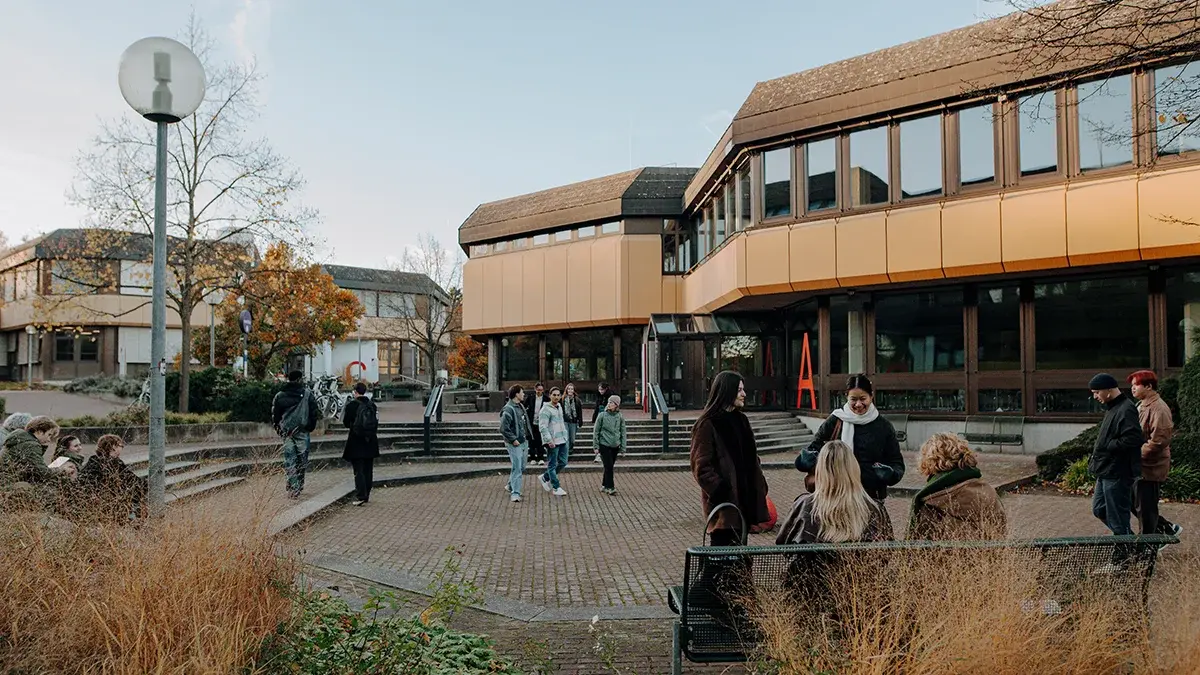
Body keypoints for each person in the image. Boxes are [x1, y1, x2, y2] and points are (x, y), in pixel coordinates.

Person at [795, 374, 904, 502]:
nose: (858, 404)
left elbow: (897, 463)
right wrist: (803, 461)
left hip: (870, 498)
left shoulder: (883, 426)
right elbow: (814, 449)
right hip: (834, 497)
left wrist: (890, 474)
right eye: (853, 399)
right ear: (846, 397)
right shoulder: (835, 420)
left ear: (871, 396)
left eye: (863, 398)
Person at [690, 371, 769, 545]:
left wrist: (759, 484)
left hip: (745, 502)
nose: (744, 394)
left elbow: (752, 458)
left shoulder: (741, 420)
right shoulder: (707, 424)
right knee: (722, 560)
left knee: (741, 559)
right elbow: (701, 466)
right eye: (739, 390)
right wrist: (721, 490)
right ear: (727, 391)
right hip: (724, 509)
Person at [777, 440, 893, 544]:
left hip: (812, 568)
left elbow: (782, 543)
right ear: (854, 469)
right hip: (860, 568)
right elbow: (887, 551)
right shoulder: (875, 508)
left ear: (820, 470)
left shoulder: (804, 505)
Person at [907, 433, 1006, 540]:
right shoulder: (987, 491)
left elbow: (917, 546)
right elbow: (1001, 529)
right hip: (989, 553)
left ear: (928, 463)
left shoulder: (930, 501)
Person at [1088, 373, 1143, 539]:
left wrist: (1109, 446)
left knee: (1118, 517)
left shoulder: (1126, 408)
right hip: (1105, 470)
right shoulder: (1113, 407)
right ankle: (1131, 543)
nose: (1095, 396)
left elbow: (1133, 439)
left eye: (1097, 392)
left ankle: (1123, 558)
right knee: (1099, 509)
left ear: (1109, 390)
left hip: (1117, 472)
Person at [1128, 370, 1181, 538]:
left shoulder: (1159, 408)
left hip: (1151, 467)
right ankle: (1167, 528)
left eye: (1136, 385)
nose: (1132, 389)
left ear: (1149, 386)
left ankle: (1149, 544)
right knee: (1132, 502)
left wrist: (1135, 454)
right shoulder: (1141, 404)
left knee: (1146, 508)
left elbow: (1158, 441)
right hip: (1139, 465)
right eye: (1132, 385)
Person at [271, 370, 320, 499]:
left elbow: (275, 415)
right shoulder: (308, 394)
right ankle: (298, 485)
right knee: (301, 460)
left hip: (287, 433)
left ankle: (293, 486)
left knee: (290, 460)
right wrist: (309, 426)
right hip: (302, 432)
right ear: (299, 379)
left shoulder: (280, 395)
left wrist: (279, 430)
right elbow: (314, 412)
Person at [79, 434, 147, 522]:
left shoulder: (93, 461)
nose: (122, 448)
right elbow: (133, 480)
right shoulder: (115, 463)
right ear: (113, 447)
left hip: (96, 507)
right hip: (112, 507)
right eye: (120, 445)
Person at [0, 416, 75, 485]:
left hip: (7, 481)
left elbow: (36, 470)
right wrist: (62, 470)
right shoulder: (30, 445)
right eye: (49, 435)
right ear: (39, 432)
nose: (49, 440)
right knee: (51, 488)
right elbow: (43, 473)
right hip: (8, 484)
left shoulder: (21, 440)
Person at [342, 382, 380, 506]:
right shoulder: (371, 405)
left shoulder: (351, 405)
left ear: (355, 392)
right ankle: (367, 493)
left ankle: (361, 495)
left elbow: (346, 422)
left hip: (356, 440)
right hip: (370, 441)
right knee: (368, 469)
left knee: (358, 470)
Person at [500, 384, 530, 503]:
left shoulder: (520, 406)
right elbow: (503, 428)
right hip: (514, 443)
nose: (523, 395)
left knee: (521, 466)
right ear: (516, 394)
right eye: (522, 392)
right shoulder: (508, 409)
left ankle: (510, 485)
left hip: (523, 441)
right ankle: (515, 493)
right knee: (517, 467)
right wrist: (513, 439)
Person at [537, 386, 569, 496]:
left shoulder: (559, 406)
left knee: (563, 462)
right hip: (552, 441)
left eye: (558, 395)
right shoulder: (545, 409)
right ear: (550, 395)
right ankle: (556, 487)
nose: (556, 397)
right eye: (554, 395)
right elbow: (543, 427)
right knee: (552, 464)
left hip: (562, 439)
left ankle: (545, 477)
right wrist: (549, 440)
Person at [593, 394, 627, 495]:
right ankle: (610, 487)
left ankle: (604, 484)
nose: (609, 404)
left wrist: (623, 448)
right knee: (609, 467)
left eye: (612, 403)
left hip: (615, 445)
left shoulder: (620, 416)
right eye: (609, 402)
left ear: (616, 405)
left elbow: (623, 432)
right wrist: (596, 446)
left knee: (609, 466)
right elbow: (596, 431)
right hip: (604, 445)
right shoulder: (602, 415)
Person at [524, 382, 549, 466]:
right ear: (535, 389)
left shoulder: (546, 399)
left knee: (540, 440)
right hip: (532, 422)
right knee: (532, 440)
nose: (539, 392)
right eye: (538, 390)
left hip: (541, 423)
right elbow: (524, 407)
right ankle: (532, 458)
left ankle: (541, 458)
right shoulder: (530, 398)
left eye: (541, 390)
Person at [561, 382, 584, 462]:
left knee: (572, 439)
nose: (570, 390)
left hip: (574, 421)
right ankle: (566, 453)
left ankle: (570, 449)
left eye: (572, 389)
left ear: (574, 390)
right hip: (565, 421)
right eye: (569, 389)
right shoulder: (563, 399)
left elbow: (579, 412)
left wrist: (580, 421)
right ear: (566, 390)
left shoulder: (577, 400)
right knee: (566, 438)